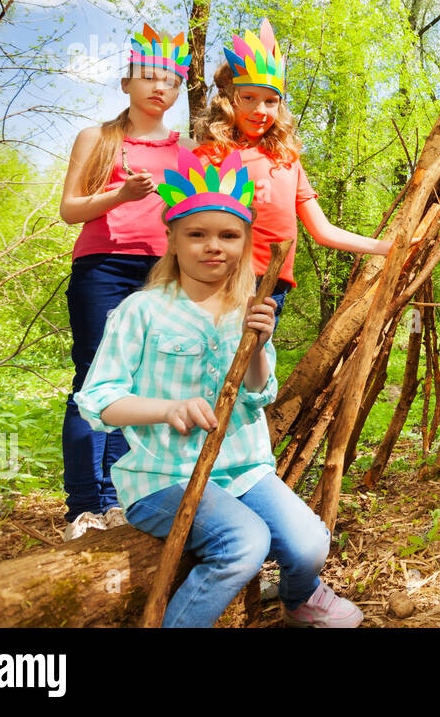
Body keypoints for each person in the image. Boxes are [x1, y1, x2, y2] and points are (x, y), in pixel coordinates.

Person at [75, 147, 362, 628]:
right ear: (172, 241)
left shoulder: (247, 311)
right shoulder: (140, 312)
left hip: (244, 470)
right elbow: (98, 402)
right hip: (165, 477)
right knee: (243, 543)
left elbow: (256, 396)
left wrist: (256, 347)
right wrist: (165, 409)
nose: (214, 246)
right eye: (197, 235)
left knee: (311, 543)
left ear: (246, 244)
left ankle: (297, 600)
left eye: (229, 235)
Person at [57, 24, 194, 540]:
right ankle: (82, 508)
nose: (161, 88)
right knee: (92, 383)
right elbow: (70, 210)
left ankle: (119, 502)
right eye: (150, 77)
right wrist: (120, 195)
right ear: (126, 84)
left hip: (161, 272)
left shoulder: (190, 151)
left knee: (136, 385)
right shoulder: (97, 138)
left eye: (173, 81)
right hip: (103, 268)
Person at [194, 19, 390, 320]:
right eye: (248, 98)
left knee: (252, 356)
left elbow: (322, 230)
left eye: (271, 101)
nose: (261, 111)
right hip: (219, 278)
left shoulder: (286, 160)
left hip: (272, 283)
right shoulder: (210, 155)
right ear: (228, 100)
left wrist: (386, 248)